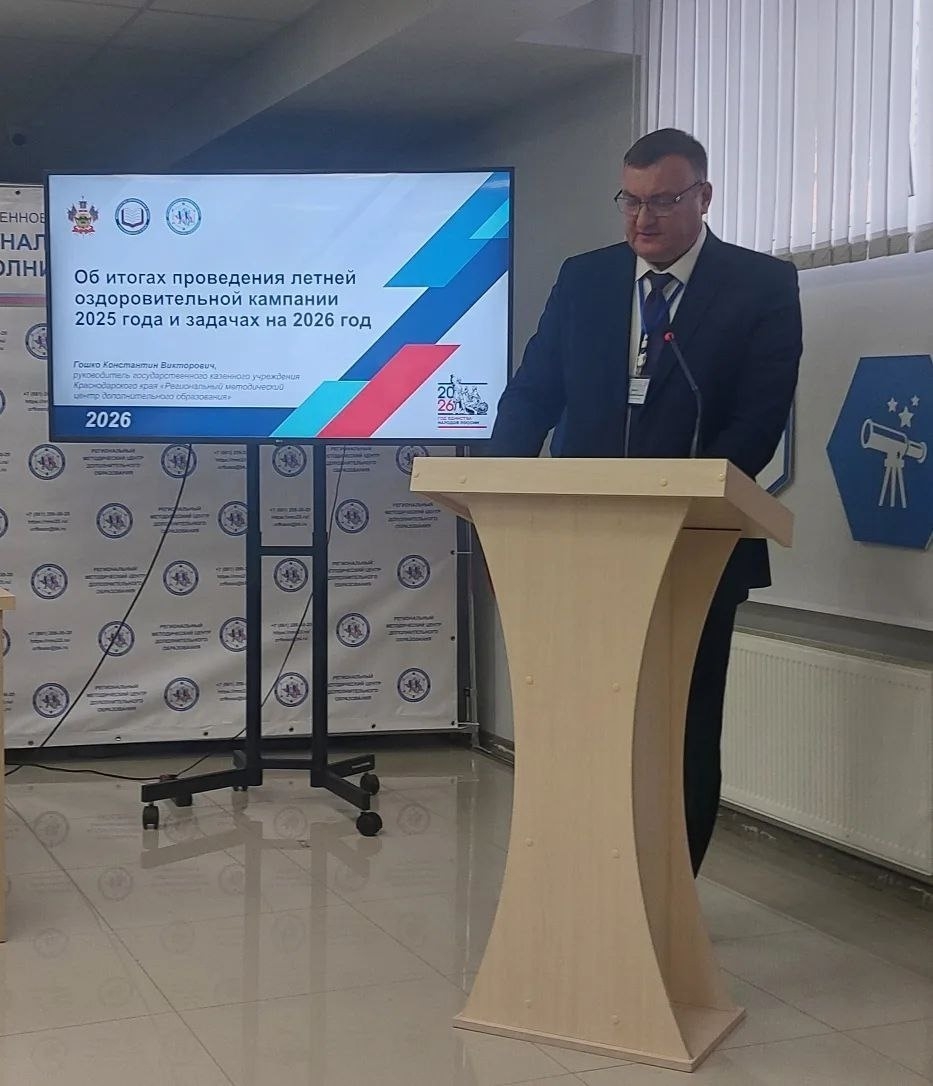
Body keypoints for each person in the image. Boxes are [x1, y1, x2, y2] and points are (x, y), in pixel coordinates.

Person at [487, 128, 802, 874]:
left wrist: (672, 500)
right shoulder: (585, 279)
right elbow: (533, 393)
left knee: (680, 726)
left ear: (703, 197)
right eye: (629, 201)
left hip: (695, 546)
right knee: (580, 721)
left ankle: (667, 893)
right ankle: (582, 878)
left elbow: (757, 423)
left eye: (661, 201)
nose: (641, 219)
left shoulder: (760, 284)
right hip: (579, 545)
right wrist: (498, 484)